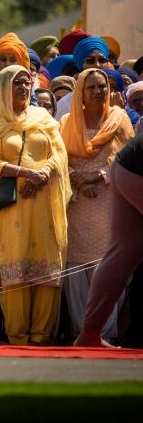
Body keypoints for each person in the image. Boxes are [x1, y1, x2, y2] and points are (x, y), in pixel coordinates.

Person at [0, 65, 71, 345]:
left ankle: (42, 336)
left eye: (26, 82)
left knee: (45, 267)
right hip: (11, 207)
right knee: (15, 269)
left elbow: (60, 154)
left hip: (43, 204)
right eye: (16, 83)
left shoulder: (42, 117)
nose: (23, 88)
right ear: (3, 87)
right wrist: (25, 173)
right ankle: (18, 336)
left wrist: (42, 173)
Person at [59, 68, 134, 342]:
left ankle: (107, 335)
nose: (98, 91)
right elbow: (58, 158)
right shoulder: (66, 122)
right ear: (80, 91)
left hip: (109, 201)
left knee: (109, 265)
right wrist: (77, 178)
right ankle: (84, 335)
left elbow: (127, 158)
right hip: (77, 205)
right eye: (91, 87)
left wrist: (99, 176)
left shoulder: (119, 118)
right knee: (77, 270)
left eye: (102, 86)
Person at [74, 131, 143, 347]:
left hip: (125, 167)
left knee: (122, 253)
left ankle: (90, 333)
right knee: (122, 252)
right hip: (135, 170)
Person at [55, 37, 112, 120]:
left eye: (102, 60)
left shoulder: (116, 98)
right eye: (90, 60)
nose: (97, 65)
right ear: (81, 65)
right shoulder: (66, 104)